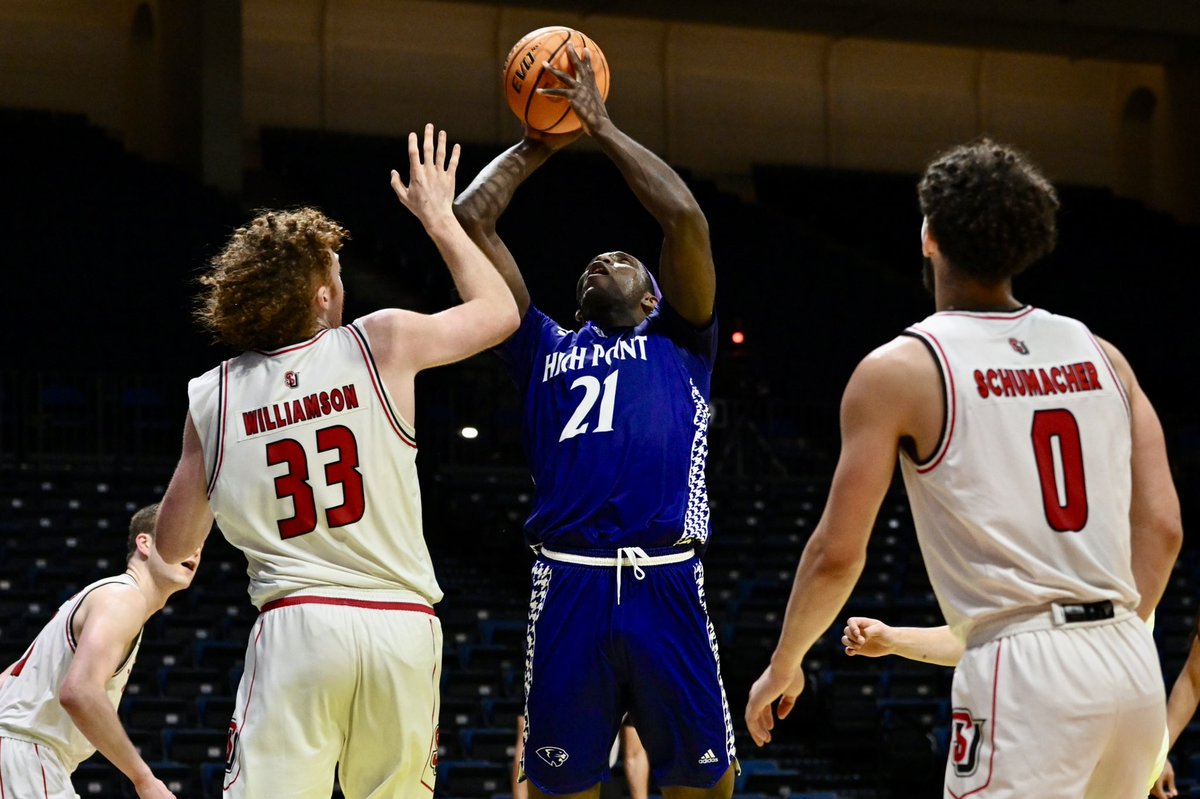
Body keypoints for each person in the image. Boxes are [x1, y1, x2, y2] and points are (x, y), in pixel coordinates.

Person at [743, 138, 1182, 797]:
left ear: (929, 235)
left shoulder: (902, 368)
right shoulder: (1103, 355)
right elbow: (1165, 526)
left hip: (1026, 674)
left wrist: (785, 662)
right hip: (1131, 661)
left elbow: (837, 554)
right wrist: (1107, 630)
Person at [152, 125, 520, 798]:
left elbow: (174, 547)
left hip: (298, 625)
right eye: (337, 274)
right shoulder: (380, 342)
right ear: (321, 295)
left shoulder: (215, 393)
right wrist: (440, 217)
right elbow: (499, 313)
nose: (342, 284)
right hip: (402, 628)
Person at [454, 43, 734, 799]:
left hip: (666, 577)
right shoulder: (539, 341)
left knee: (707, 785)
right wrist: (537, 139)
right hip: (569, 579)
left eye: (621, 258)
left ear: (654, 296)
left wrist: (601, 129)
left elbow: (684, 218)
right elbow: (470, 218)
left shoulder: (681, 338)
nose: (601, 258)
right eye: (592, 264)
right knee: (558, 787)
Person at [0, 504, 202, 799]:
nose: (194, 550)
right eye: (183, 538)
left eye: (199, 545)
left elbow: (6, 680)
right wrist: (144, 779)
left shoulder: (108, 596)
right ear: (144, 543)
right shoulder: (124, 598)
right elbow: (80, 691)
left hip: (22, 756)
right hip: (25, 757)